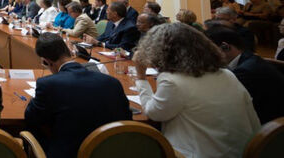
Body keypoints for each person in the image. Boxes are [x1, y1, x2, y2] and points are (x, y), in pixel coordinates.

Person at [133, 23, 260, 158]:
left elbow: (153, 114)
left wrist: (141, 77)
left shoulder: (172, 81)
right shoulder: (227, 74)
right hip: (242, 152)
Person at [24, 33, 131, 158]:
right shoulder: (113, 82)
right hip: (111, 152)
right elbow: (127, 118)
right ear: (70, 52)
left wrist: (35, 98)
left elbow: (31, 117)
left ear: (46, 62)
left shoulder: (48, 84)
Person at [205, 25, 284, 124]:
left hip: (271, 126)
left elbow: (229, 106)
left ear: (225, 47)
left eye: (209, 51)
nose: (206, 56)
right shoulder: (249, 58)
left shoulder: (245, 72)